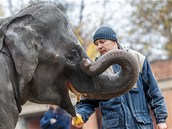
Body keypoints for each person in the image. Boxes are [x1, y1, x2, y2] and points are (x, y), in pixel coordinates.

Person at [72, 26, 168, 129]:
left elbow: (153, 92)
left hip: (140, 125)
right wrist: (81, 115)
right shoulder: (96, 70)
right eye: (96, 44)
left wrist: (161, 119)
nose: (99, 46)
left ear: (114, 41)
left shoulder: (137, 60)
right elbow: (88, 101)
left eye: (102, 42)